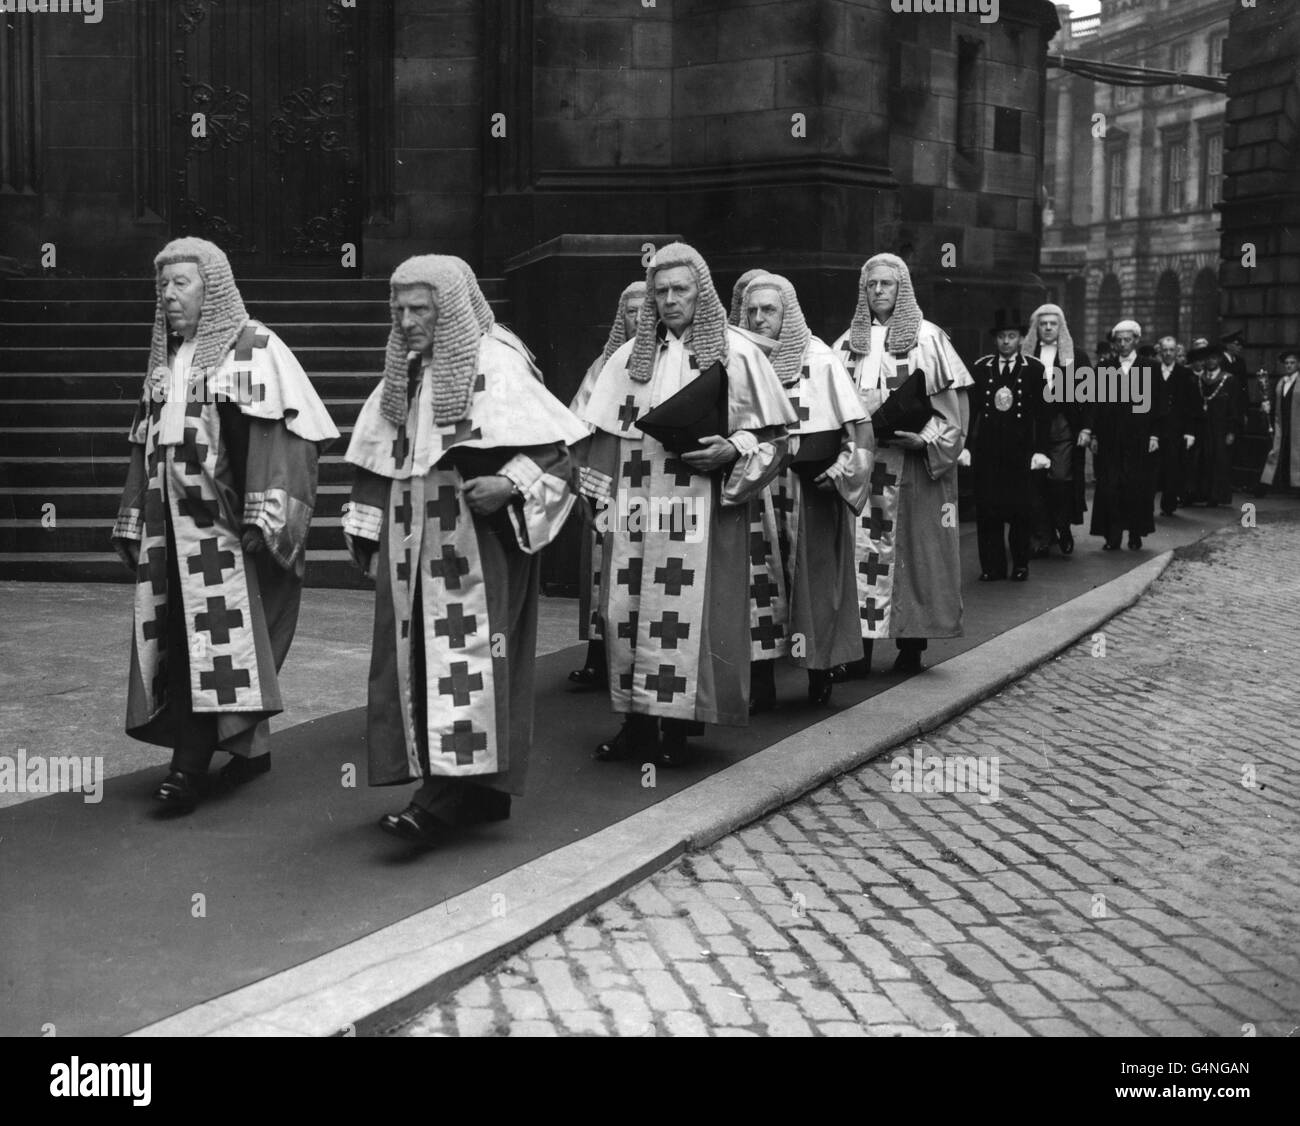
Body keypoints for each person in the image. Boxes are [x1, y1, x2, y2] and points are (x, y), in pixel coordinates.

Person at [342, 255, 586, 844]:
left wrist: (509, 484)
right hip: (410, 545)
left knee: (468, 664)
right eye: (397, 309)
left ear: (447, 308)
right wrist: (364, 525)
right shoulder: (402, 371)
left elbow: (560, 458)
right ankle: (475, 794)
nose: (405, 321)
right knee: (415, 665)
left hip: (477, 548)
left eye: (419, 309)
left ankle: (444, 799)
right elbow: (379, 458)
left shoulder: (498, 364)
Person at [111, 237, 339, 814]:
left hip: (224, 540)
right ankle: (249, 748)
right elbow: (146, 447)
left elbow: (284, 439)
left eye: (180, 284)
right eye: (161, 286)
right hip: (170, 536)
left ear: (212, 287)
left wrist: (266, 515)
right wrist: (136, 514)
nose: (167, 297)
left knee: (207, 647)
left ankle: (187, 768)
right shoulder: (165, 360)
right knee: (182, 643)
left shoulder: (253, 348)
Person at [578, 242, 795, 766]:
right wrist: (598, 500)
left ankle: (675, 729)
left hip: (699, 509)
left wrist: (732, 447)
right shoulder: (628, 359)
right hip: (634, 509)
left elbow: (778, 438)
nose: (671, 299)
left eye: (682, 290)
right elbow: (602, 436)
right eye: (662, 291)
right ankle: (636, 723)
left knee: (683, 617)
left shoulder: (737, 354)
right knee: (626, 612)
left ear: (703, 293)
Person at [831, 253, 972, 676]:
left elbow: (953, 415)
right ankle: (861, 649)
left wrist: (924, 439)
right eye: (871, 285)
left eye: (886, 284)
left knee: (915, 556)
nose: (878, 292)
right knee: (860, 559)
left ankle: (912, 645)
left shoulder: (928, 339)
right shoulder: (845, 345)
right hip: (865, 468)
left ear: (902, 289)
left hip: (912, 468)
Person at [740, 273, 870, 707]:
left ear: (788, 313)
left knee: (812, 586)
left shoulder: (821, 359)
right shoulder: (738, 359)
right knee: (757, 585)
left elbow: (858, 432)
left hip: (808, 490)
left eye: (769, 310)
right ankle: (760, 683)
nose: (759, 319)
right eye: (752, 310)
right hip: (756, 490)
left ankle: (819, 670)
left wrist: (839, 470)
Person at [567, 281, 647, 691]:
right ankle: (599, 658)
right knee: (603, 571)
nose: (638, 318)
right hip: (608, 479)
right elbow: (578, 425)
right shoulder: (604, 366)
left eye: (643, 310)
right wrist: (585, 481)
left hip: (651, 484)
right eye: (630, 311)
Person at [969, 312, 1050, 582]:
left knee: (1019, 511)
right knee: (988, 510)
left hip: (1020, 450)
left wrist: (1041, 450)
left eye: (1012, 336)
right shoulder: (981, 367)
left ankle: (1020, 565)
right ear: (995, 339)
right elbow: (971, 411)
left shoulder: (1035, 369)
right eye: (1002, 337)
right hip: (989, 451)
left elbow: (1043, 414)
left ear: (1021, 338)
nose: (1006, 342)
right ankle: (992, 567)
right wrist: (967, 446)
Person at [1022, 303, 1090, 556]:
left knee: (1060, 478)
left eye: (1053, 323)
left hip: (1062, 426)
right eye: (1043, 323)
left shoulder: (1077, 356)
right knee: (1035, 482)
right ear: (1036, 327)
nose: (1048, 328)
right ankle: (1042, 533)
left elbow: (1088, 396)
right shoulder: (1026, 355)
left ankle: (1062, 525)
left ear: (1061, 327)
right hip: (1032, 426)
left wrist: (1086, 428)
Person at [1088, 319, 1158, 551]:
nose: (1123, 344)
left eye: (1128, 340)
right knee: (1111, 487)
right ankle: (1113, 535)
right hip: (1111, 438)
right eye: (1119, 340)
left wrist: (1154, 435)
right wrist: (1095, 435)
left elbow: (1158, 405)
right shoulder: (1105, 368)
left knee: (1136, 486)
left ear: (1136, 341)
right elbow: (1097, 404)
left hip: (1139, 438)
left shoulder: (1149, 367)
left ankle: (1135, 533)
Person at [1183, 344, 1240, 507]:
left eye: (1214, 358)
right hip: (1201, 427)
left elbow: (1234, 407)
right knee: (1198, 460)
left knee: (1218, 460)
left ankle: (1215, 495)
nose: (1210, 361)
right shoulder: (1198, 380)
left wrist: (1231, 431)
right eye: (1207, 358)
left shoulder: (1228, 379)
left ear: (1220, 359)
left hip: (1219, 428)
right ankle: (1197, 493)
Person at [1152, 335, 1198, 517]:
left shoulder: (1186, 374)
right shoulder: (1152, 371)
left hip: (1176, 429)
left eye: (1172, 350)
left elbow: (1192, 406)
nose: (1169, 354)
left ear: (1177, 352)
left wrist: (1190, 432)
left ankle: (1168, 505)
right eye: (1165, 350)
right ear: (1160, 351)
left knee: (1172, 467)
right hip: (1155, 427)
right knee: (1153, 468)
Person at [1260, 349, 1300, 496]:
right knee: (1279, 451)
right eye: (1287, 363)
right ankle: (1279, 484)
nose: (1289, 366)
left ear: (1298, 364)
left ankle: (1296, 486)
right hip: (1282, 423)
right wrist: (1267, 406)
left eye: (1292, 363)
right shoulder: (1281, 382)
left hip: (1298, 424)